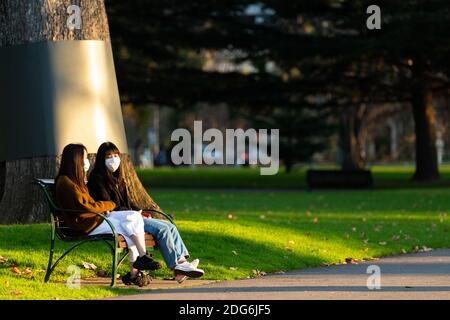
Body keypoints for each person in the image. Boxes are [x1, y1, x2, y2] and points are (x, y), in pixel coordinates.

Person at [87, 142, 204, 283]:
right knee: (162, 229)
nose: (114, 159)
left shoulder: (118, 178)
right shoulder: (97, 178)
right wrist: (134, 213)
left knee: (170, 226)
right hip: (122, 220)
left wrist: (138, 210)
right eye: (109, 156)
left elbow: (127, 201)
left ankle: (182, 263)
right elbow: (111, 205)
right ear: (101, 159)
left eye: (116, 155)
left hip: (130, 216)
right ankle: (177, 266)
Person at [55, 143, 161, 287]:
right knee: (129, 225)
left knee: (134, 217)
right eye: (85, 158)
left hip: (94, 219)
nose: (87, 162)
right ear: (76, 159)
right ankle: (137, 267)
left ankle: (140, 263)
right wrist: (109, 205)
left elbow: (89, 205)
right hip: (86, 225)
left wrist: (103, 208)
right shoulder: (66, 183)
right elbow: (87, 207)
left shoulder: (74, 181)